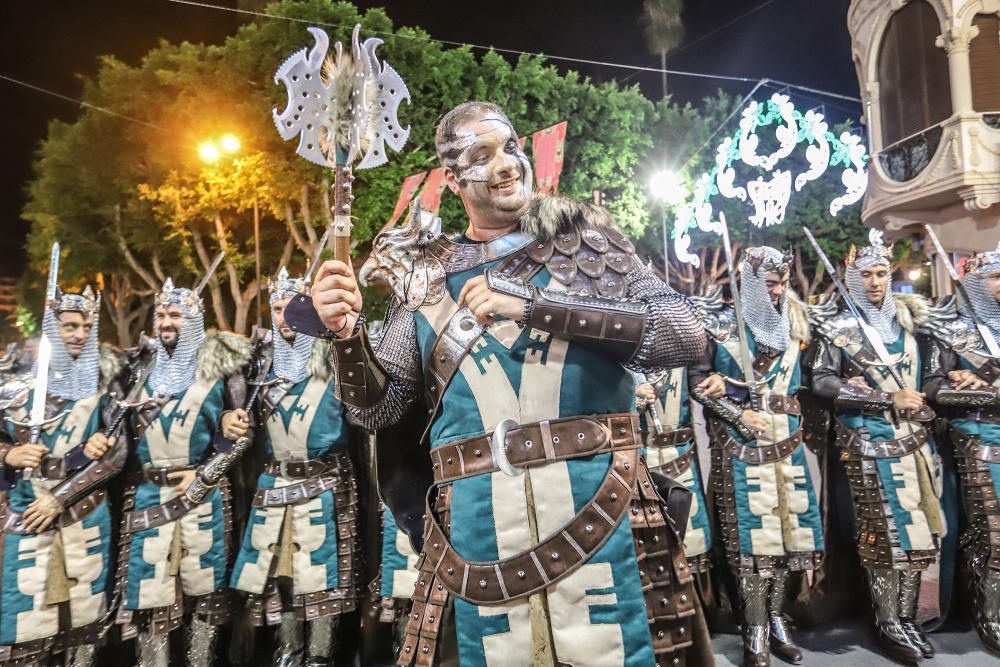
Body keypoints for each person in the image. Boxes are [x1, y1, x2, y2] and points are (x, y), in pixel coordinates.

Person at [306, 101, 709, 666]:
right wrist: (348, 337)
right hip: (477, 530)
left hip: (602, 510)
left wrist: (537, 307)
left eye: (511, 147)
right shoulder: (426, 276)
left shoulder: (585, 243)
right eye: (481, 156)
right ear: (451, 180)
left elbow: (686, 336)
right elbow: (378, 410)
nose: (506, 164)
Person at [811, 229, 941, 663]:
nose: (875, 283)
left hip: (914, 443)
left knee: (917, 534)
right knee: (885, 536)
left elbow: (935, 374)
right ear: (853, 277)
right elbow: (823, 382)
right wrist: (883, 397)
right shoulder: (837, 328)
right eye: (866, 275)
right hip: (866, 443)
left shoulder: (910, 322)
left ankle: (905, 618)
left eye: (882, 274)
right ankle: (887, 621)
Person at [689, 247, 823, 667]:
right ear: (750, 284)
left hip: (787, 447)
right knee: (751, 539)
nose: (777, 291)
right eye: (768, 284)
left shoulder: (794, 326)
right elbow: (697, 383)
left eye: (782, 283)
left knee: (787, 536)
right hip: (740, 449)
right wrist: (739, 411)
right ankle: (755, 627)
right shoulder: (717, 325)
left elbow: (813, 383)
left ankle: (778, 618)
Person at [115, 278, 251, 667]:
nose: (166, 322)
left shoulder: (224, 368)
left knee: (205, 597)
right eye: (161, 314)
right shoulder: (139, 367)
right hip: (147, 495)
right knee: (149, 595)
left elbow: (243, 434)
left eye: (175, 314)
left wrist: (205, 475)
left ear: (193, 319)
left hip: (202, 497)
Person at [230, 267, 360, 667]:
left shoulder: (335, 358)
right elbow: (232, 420)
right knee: (281, 580)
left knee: (323, 585)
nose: (285, 317)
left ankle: (321, 657)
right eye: (277, 309)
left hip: (326, 487)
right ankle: (288, 655)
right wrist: (228, 424)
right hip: (275, 489)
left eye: (292, 308)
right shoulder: (259, 372)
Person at [0, 285, 127, 666]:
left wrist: (59, 498)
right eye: (70, 325)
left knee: (82, 622)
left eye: (87, 326)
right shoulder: (12, 384)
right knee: (23, 617)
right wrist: (10, 453)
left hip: (83, 515)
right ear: (52, 328)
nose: (80, 334)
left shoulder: (107, 385)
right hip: (25, 515)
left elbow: (117, 455)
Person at [921, 244, 1000, 654]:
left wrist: (987, 385)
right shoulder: (948, 329)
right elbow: (933, 388)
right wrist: (966, 389)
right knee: (991, 531)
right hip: (976, 440)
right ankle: (988, 613)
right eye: (995, 277)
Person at [634, 369, 712, 573]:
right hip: (640, 458)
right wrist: (630, 396)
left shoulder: (686, 344)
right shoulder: (616, 351)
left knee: (694, 539)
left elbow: (701, 376)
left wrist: (719, 380)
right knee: (651, 540)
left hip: (681, 455)